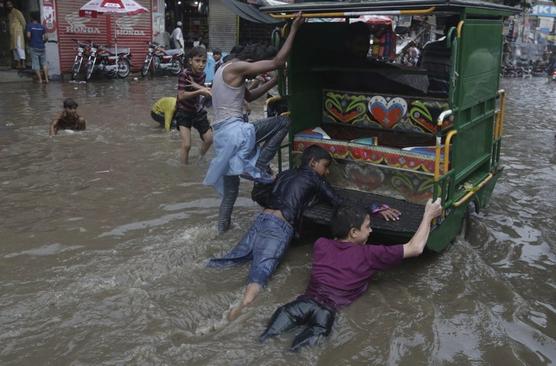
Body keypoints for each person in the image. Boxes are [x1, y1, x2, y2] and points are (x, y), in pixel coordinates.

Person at [207, 145, 401, 321]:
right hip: (278, 227)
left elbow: (259, 195)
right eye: (325, 167)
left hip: (261, 220)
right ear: (313, 163)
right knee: (262, 271)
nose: (327, 172)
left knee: (232, 259)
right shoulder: (314, 178)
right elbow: (339, 202)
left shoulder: (286, 174)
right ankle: (244, 305)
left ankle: (205, 268)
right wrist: (374, 207)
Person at [259, 199, 442, 351]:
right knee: (295, 354)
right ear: (354, 232)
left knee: (263, 341)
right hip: (326, 314)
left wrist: (371, 213)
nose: (371, 230)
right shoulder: (370, 255)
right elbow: (415, 248)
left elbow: (343, 222)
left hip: (300, 304)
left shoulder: (321, 244)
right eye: (368, 226)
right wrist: (428, 215)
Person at [203, 13, 304, 234]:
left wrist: (275, 81)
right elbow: (278, 61)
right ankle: (259, 165)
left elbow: (248, 97)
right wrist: (294, 29)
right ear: (249, 63)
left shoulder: (223, 69)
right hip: (236, 132)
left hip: (222, 137)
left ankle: (221, 233)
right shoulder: (237, 67)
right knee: (284, 122)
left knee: (230, 194)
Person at [176, 46, 213, 164]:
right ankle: (183, 171)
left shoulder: (202, 75)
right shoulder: (184, 74)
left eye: (204, 61)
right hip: (183, 111)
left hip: (197, 111)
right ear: (190, 61)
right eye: (197, 61)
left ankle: (199, 158)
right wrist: (199, 91)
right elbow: (181, 96)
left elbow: (205, 91)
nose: (201, 64)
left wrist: (198, 88)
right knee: (186, 145)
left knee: (209, 139)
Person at [26, 12, 48, 83]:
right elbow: (46, 37)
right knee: (44, 63)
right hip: (42, 47)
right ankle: (47, 79)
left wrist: (30, 41)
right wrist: (42, 42)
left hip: (33, 46)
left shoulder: (30, 26)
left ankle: (40, 80)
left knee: (36, 63)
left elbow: (28, 36)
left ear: (31, 18)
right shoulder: (42, 26)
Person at [7, 1, 26, 70]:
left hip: (18, 33)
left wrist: (21, 31)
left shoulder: (17, 12)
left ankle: (23, 64)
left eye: (10, 4)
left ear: (12, 5)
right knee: (14, 49)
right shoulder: (9, 14)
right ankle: (18, 64)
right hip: (12, 34)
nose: (9, 6)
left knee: (19, 47)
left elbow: (23, 22)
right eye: (7, 5)